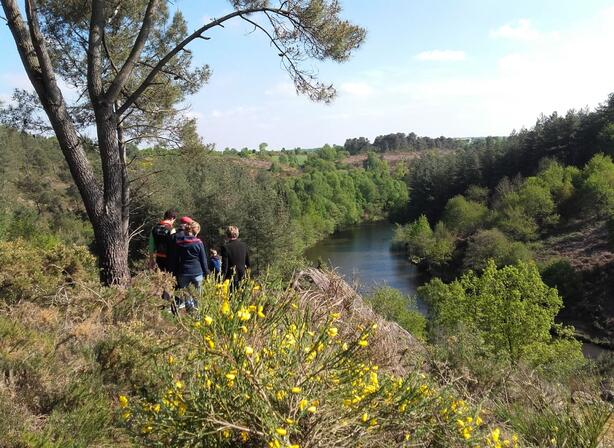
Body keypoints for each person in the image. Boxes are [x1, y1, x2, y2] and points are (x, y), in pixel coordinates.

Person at [171, 220, 209, 291]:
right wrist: (206, 272)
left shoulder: (179, 242)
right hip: (197, 272)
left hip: (183, 272)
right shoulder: (199, 243)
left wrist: (174, 272)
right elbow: (203, 259)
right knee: (198, 297)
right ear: (196, 232)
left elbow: (175, 258)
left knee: (185, 297)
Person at [221, 225, 250, 290]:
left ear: (227, 235)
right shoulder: (244, 245)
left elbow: (225, 266)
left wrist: (222, 280)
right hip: (243, 276)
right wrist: (248, 276)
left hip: (231, 277)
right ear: (237, 234)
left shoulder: (225, 247)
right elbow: (248, 263)